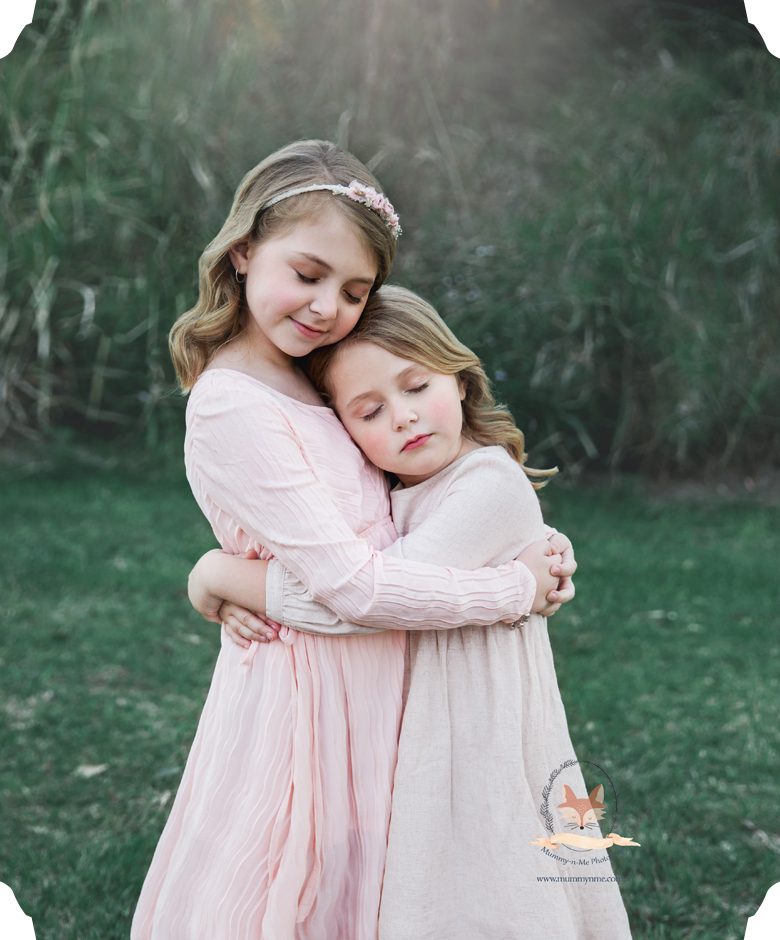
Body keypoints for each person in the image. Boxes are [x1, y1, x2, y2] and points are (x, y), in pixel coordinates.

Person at [131, 139, 576, 940]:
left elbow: (405, 513)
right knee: (290, 894)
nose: (326, 305)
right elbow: (357, 588)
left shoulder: (314, 372)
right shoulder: (236, 405)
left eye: (354, 289)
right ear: (242, 251)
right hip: (309, 701)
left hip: (380, 686)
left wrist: (522, 540)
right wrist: (512, 589)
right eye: (307, 275)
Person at [190, 286, 632, 939]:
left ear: (459, 380)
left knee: (489, 892)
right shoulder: (407, 491)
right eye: (370, 411)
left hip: (477, 740)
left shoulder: (486, 484)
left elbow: (364, 602)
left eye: (417, 386)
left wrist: (219, 574)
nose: (403, 417)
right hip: (427, 726)